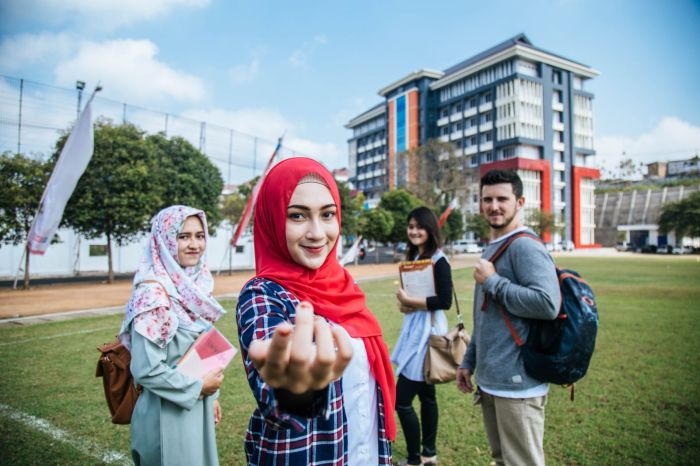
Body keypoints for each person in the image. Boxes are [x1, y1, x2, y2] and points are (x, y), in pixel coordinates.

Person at [235, 157, 396, 465]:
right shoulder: (262, 294)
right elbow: (273, 378)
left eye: (328, 214)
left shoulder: (345, 286)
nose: (317, 232)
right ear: (272, 219)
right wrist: (296, 392)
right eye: (297, 216)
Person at [456, 170, 560, 466]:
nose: (494, 206)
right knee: (502, 460)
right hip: (492, 379)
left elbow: (547, 303)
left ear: (520, 202)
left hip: (519, 383)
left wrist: (493, 282)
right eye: (487, 199)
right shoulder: (493, 247)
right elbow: (486, 318)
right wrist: (469, 361)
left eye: (502, 198)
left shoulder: (525, 246)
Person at [118, 205, 227, 466]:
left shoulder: (195, 288)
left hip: (195, 406)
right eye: (183, 236)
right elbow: (146, 369)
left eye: (199, 236)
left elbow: (200, 350)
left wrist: (211, 397)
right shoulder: (153, 296)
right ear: (164, 240)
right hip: (164, 415)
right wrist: (199, 388)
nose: (194, 244)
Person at [392, 207, 453, 466]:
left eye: (419, 226)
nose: (414, 231)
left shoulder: (439, 260)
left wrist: (411, 301)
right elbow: (418, 299)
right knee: (427, 397)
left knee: (401, 400)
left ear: (430, 229)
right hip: (417, 328)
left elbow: (444, 300)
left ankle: (415, 459)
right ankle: (429, 455)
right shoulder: (416, 256)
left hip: (427, 335)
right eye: (411, 226)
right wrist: (406, 304)